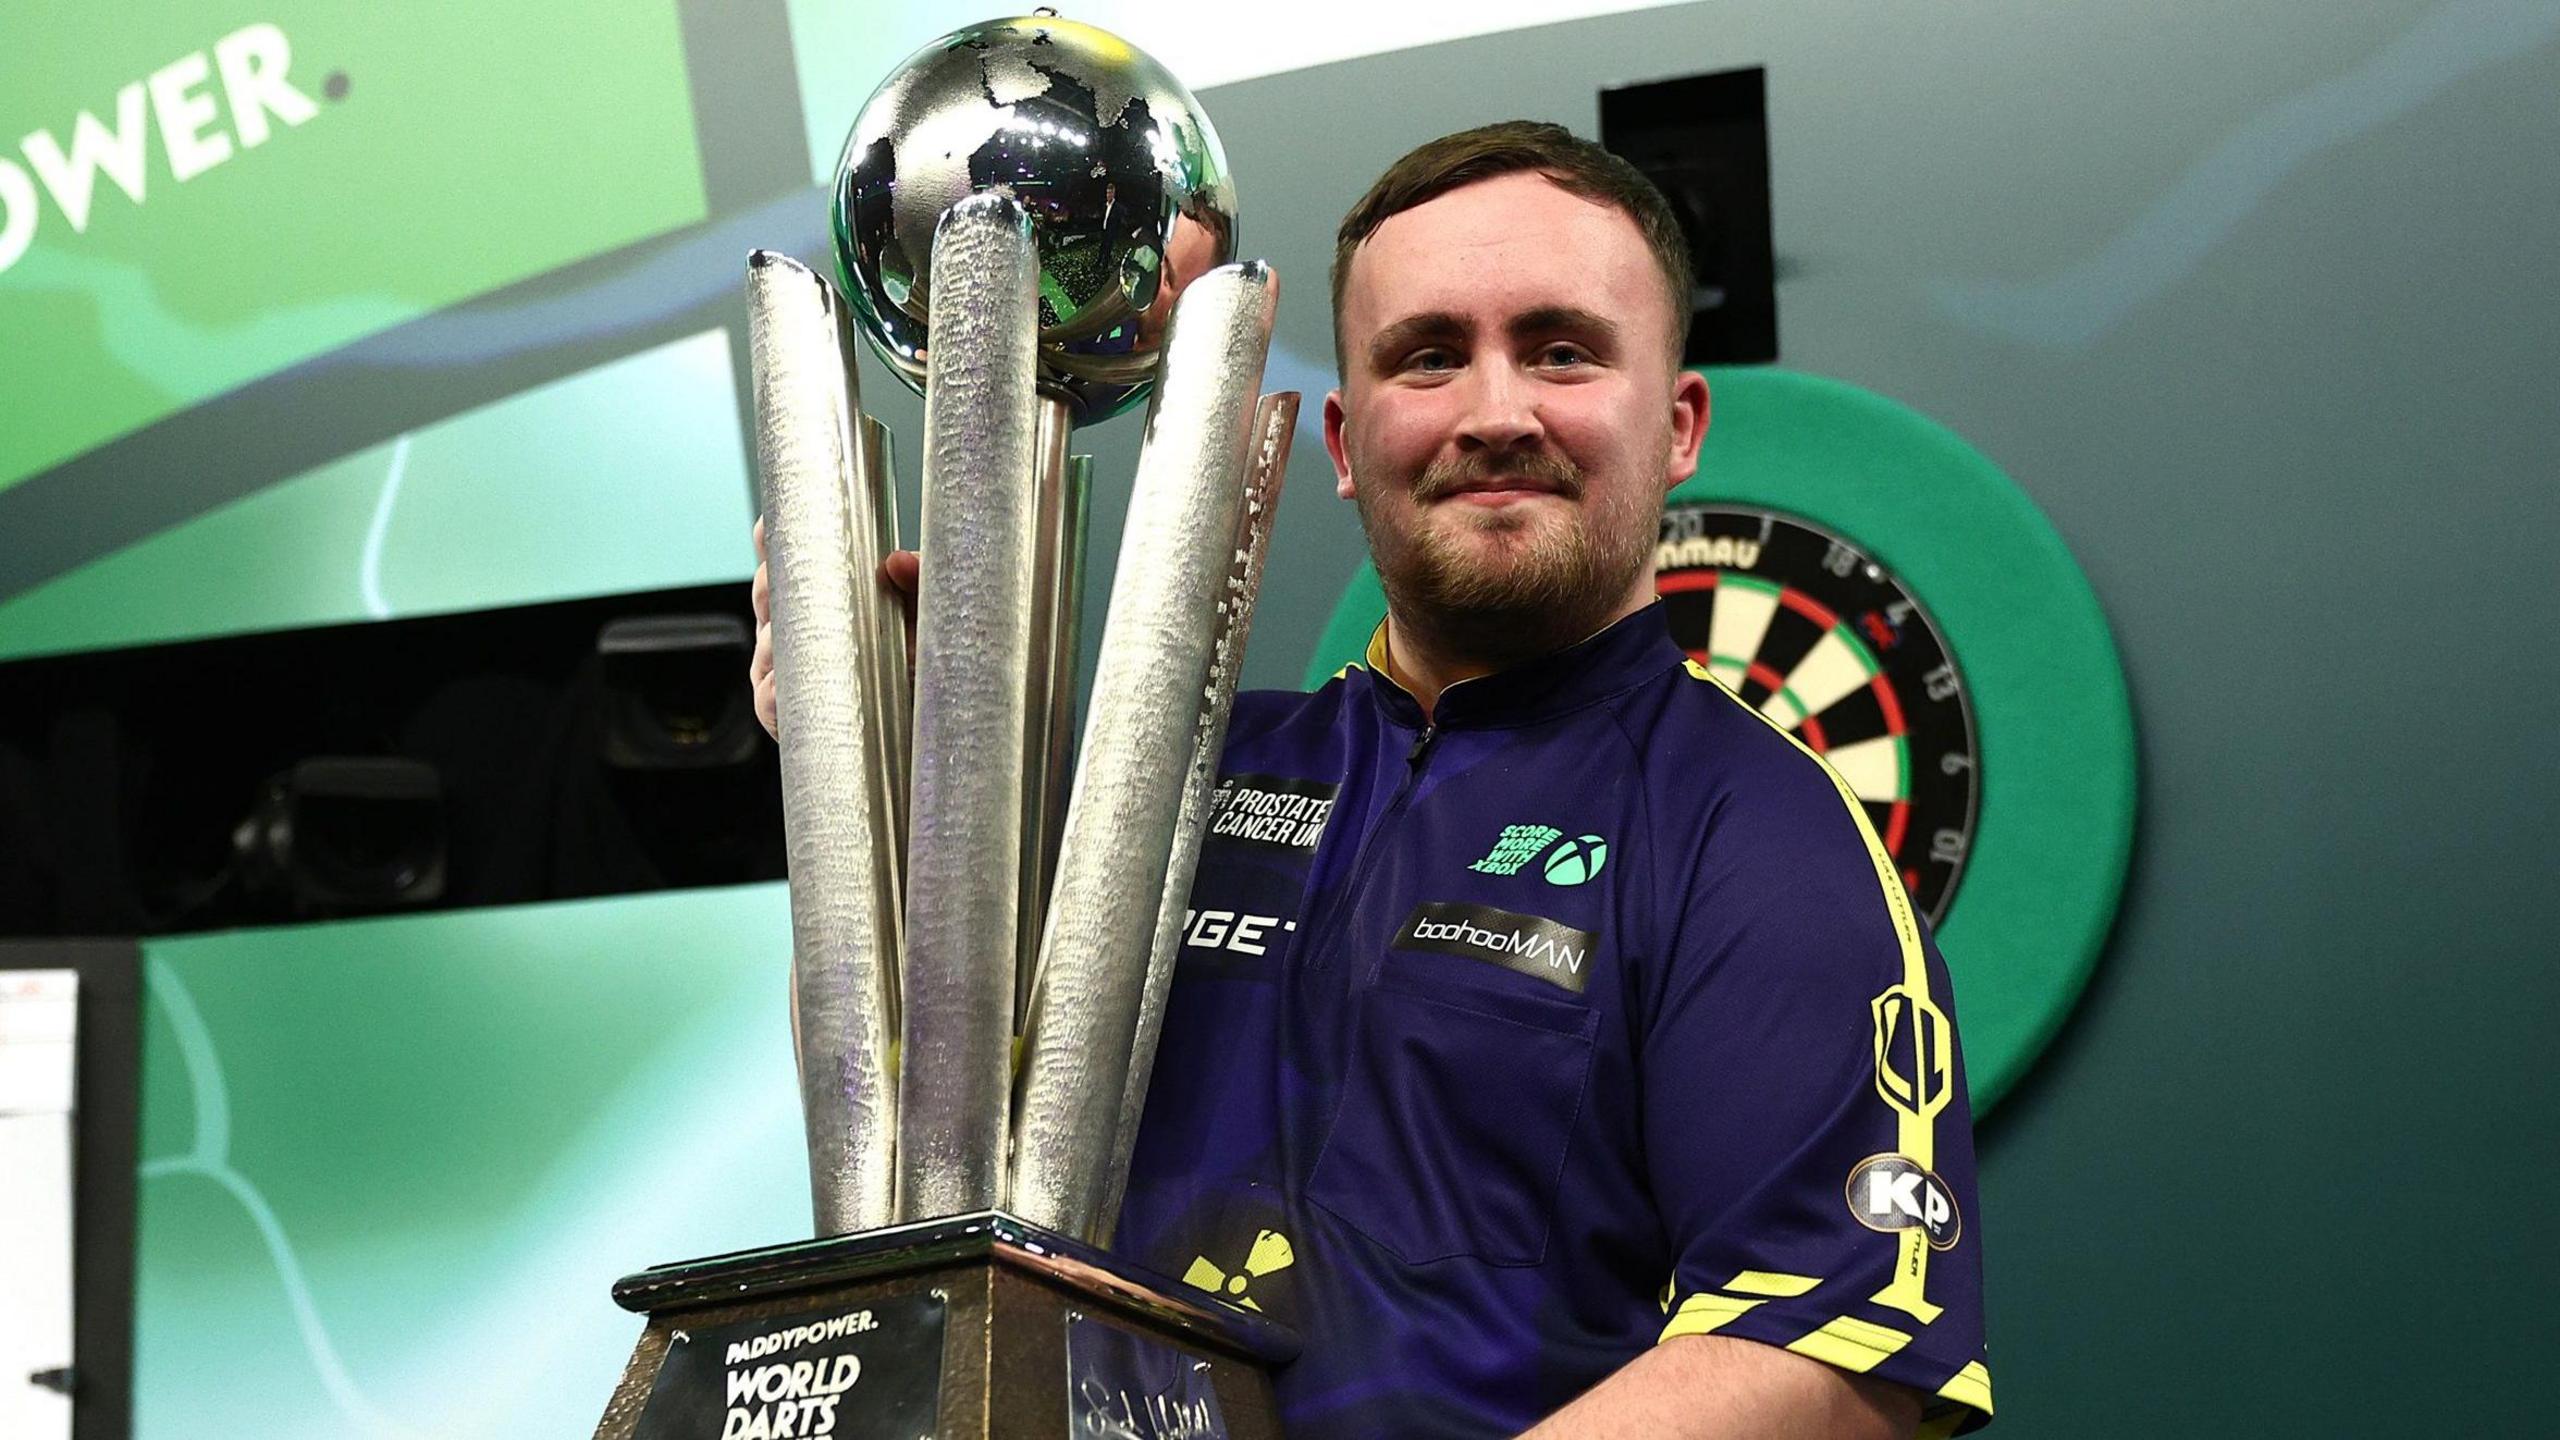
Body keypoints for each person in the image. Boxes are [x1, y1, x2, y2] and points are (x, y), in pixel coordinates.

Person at [752, 122, 1990, 1439]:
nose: (1495, 412)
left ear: (1678, 423)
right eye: (1430, 357)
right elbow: (914, 1148)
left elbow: (1832, 1356)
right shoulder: (1171, 783)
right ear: (1344, 440)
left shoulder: (1757, 832)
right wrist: (878, 775)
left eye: (1562, 350)